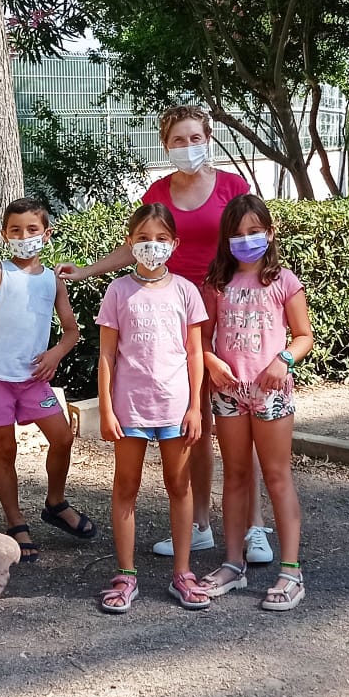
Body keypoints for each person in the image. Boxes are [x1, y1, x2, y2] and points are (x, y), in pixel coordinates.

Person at [60, 104, 270, 564]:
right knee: (196, 426)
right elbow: (138, 241)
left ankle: (255, 527)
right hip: (170, 313)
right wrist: (87, 271)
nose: (188, 147)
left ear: (208, 137)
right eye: (178, 140)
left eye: (195, 138)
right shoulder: (158, 191)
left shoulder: (234, 187)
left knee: (239, 419)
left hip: (225, 311)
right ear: (165, 144)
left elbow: (253, 241)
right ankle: (200, 526)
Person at [0, 196, 94, 561]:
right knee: (6, 448)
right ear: (4, 234)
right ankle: (15, 522)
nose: (24, 236)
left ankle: (55, 502)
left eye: (32, 229)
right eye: (15, 230)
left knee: (62, 436)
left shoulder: (52, 279)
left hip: (33, 378)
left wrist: (54, 355)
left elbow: (71, 331)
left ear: (46, 234)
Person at [197, 194, 313, 612]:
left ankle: (291, 570)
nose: (246, 241)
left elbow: (303, 336)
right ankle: (232, 562)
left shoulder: (284, 281)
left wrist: (284, 360)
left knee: (278, 476)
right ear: (226, 239)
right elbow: (203, 338)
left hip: (271, 395)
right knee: (234, 476)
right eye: (237, 234)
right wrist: (210, 362)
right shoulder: (216, 284)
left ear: (270, 233)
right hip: (228, 394)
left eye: (254, 232)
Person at [95, 204, 208, 613]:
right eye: (143, 238)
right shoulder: (118, 291)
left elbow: (195, 353)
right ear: (130, 242)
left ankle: (183, 572)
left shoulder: (185, 292)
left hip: (176, 409)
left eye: (161, 239)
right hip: (130, 410)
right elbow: (106, 356)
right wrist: (106, 408)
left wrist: (196, 407)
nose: (152, 246)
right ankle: (127, 574)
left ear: (175, 244)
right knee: (125, 488)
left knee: (180, 487)